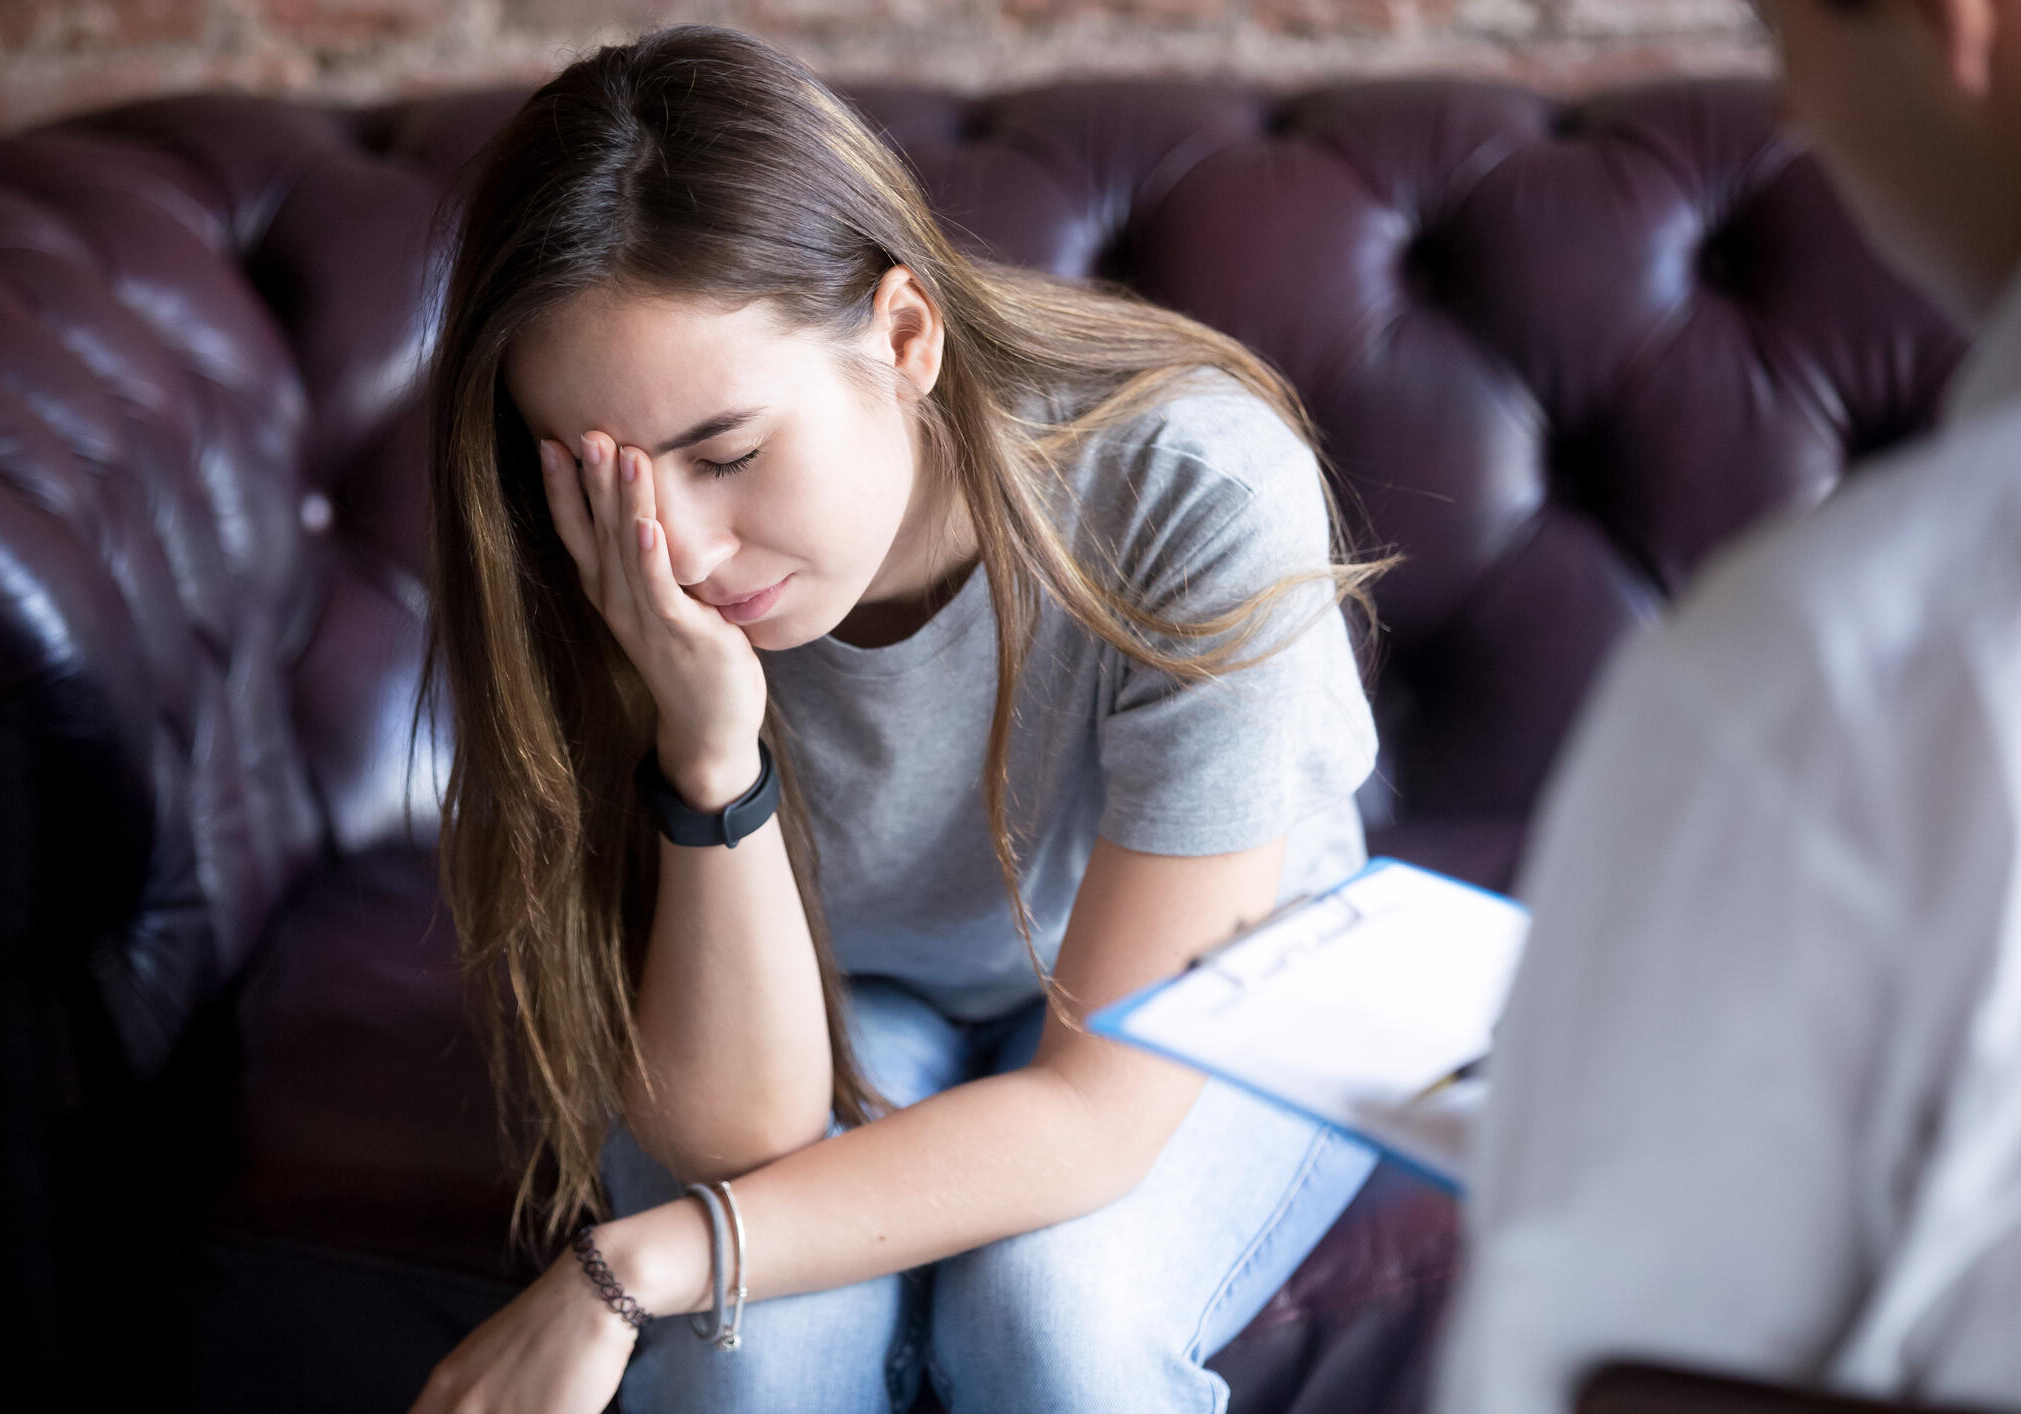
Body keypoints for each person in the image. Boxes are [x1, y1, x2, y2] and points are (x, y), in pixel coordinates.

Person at [403, 23, 1391, 1414]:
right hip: (845, 987)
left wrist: (625, 1267)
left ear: (904, 335)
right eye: (609, 477)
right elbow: (737, 1126)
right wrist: (710, 752)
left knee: (1049, 1329)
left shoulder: (1190, 484)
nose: (675, 548)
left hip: (1207, 999)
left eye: (728, 451)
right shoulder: (594, 566)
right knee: (762, 1360)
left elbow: (1097, 1115)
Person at [1433, 3, 2021, 1412]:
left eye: (1780, 36)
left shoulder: (1839, 661)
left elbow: (1576, 1367)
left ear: (1956, 28)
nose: (1786, 119)